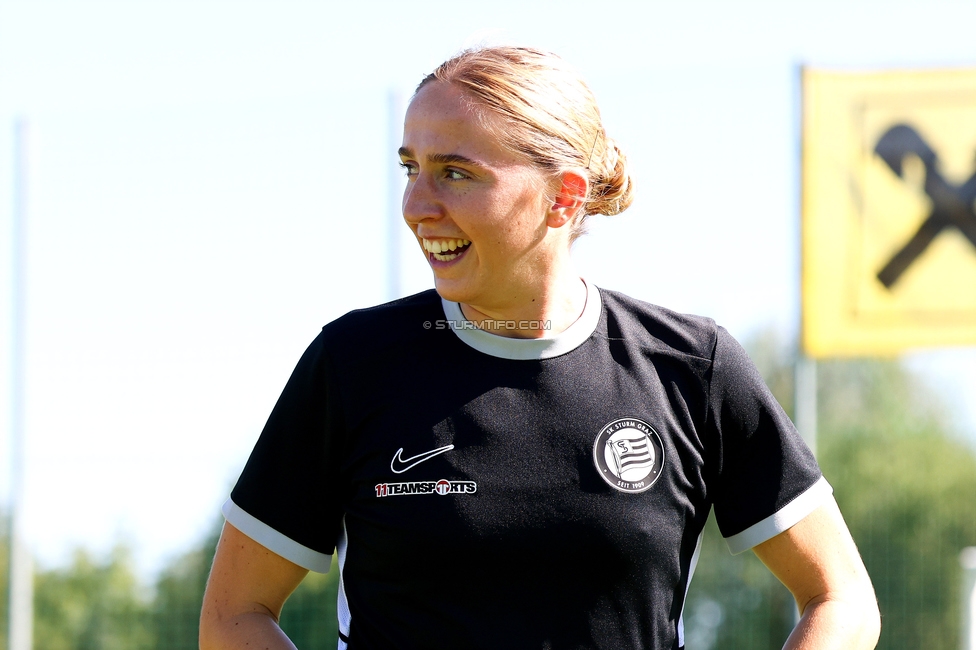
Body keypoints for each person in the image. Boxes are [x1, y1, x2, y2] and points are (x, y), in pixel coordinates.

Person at [200, 46, 880, 650]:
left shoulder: (690, 369)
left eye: (456, 173)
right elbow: (233, 614)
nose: (416, 203)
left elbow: (841, 599)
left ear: (563, 198)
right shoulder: (354, 364)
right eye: (411, 167)